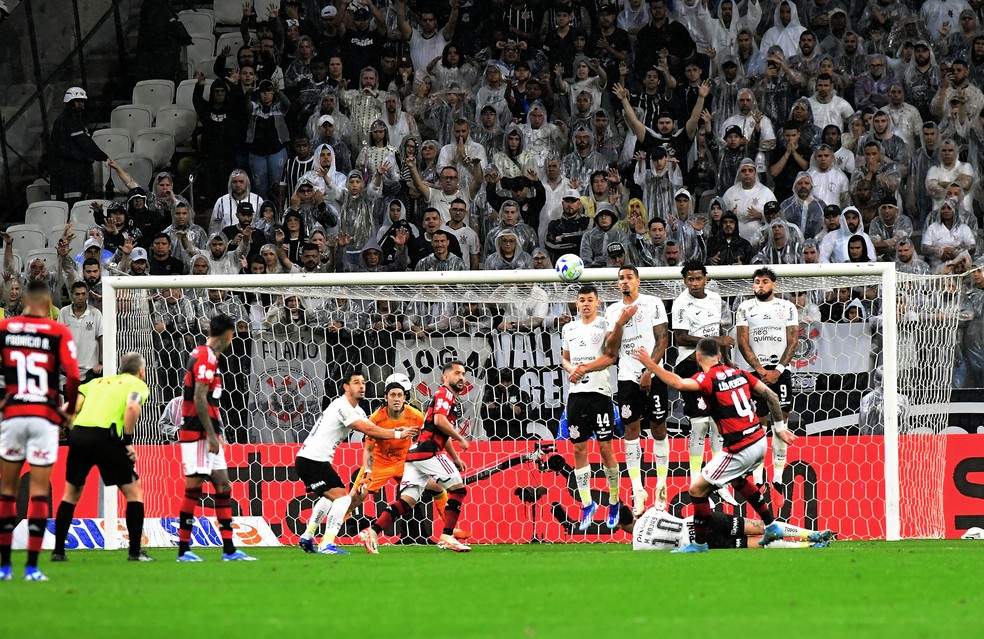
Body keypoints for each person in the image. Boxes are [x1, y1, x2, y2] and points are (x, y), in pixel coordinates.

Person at [633, 338, 797, 553]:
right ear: (720, 355)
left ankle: (699, 545)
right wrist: (779, 428)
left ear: (698, 357)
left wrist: (651, 365)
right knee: (737, 479)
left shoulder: (707, 378)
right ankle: (771, 525)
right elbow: (771, 395)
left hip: (740, 447)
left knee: (697, 489)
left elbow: (679, 384)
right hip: (759, 440)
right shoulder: (739, 374)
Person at [0, 281, 81, 581]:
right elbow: (72, 376)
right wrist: (68, 411)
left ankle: (4, 567)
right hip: (44, 417)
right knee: (37, 493)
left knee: (7, 493)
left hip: (13, 416)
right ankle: (32, 568)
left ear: (23, 301)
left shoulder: (6, 328)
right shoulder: (58, 331)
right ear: (48, 303)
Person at [295, 371, 418, 555]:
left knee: (330, 497)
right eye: (356, 383)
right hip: (312, 459)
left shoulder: (358, 411)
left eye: (363, 383)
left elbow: (374, 430)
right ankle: (327, 544)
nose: (361, 386)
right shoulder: (341, 406)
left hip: (316, 460)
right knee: (343, 498)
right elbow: (369, 429)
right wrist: (399, 434)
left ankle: (307, 536)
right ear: (346, 387)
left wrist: (395, 429)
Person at [360, 361, 472, 554]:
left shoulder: (443, 398)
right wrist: (460, 437)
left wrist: (454, 456)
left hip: (413, 454)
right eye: (456, 374)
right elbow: (439, 421)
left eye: (463, 374)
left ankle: (372, 531)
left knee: (406, 501)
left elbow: (438, 427)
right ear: (445, 377)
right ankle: (447, 535)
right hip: (429, 452)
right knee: (459, 490)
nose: (461, 377)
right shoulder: (444, 394)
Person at [51, 352, 152, 562]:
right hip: (106, 436)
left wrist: (73, 429)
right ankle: (135, 552)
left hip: (79, 435)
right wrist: (127, 441)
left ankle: (58, 552)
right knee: (134, 492)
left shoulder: (95, 383)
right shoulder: (137, 384)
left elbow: (71, 408)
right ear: (141, 371)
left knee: (71, 494)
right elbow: (133, 407)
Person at [175, 314, 255, 562]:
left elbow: (208, 400)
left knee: (223, 485)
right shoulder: (204, 356)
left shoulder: (210, 357)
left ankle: (229, 550)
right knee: (194, 488)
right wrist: (210, 435)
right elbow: (199, 398)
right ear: (229, 335)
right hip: (197, 433)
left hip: (209, 433)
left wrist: (216, 433)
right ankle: (183, 550)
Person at [604, 265, 670, 515]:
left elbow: (663, 339)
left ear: (638, 281)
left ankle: (661, 489)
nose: (624, 281)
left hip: (654, 374)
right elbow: (611, 350)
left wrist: (650, 371)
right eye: (620, 278)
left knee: (658, 427)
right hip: (626, 377)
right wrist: (620, 323)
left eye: (629, 277)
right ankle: (637, 490)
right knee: (631, 429)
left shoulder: (653, 303)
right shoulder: (612, 311)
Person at [672, 261, 738, 507]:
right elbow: (680, 337)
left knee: (718, 424)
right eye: (690, 279)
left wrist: (727, 361)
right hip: (690, 363)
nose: (695, 283)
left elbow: (719, 329)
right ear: (685, 281)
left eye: (699, 278)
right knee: (699, 425)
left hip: (714, 364)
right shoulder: (680, 303)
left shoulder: (715, 299)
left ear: (706, 279)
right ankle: (696, 483)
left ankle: (719, 482)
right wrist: (715, 340)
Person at [735, 268, 799, 492]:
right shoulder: (744, 308)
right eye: (756, 282)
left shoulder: (787, 307)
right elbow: (743, 342)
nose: (760, 286)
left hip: (781, 371)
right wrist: (760, 369)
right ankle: (759, 475)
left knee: (781, 420)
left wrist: (778, 369)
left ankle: (778, 476)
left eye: (764, 282)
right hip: (755, 373)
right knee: (758, 422)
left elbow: (793, 340)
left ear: (774, 285)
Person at [563, 285, 621, 529]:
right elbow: (564, 358)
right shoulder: (569, 328)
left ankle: (614, 501)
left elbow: (611, 357)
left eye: (590, 300)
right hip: (576, 395)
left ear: (598, 303)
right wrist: (571, 369)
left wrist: (585, 369)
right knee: (579, 450)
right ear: (576, 304)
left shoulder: (605, 325)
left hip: (599, 394)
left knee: (606, 448)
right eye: (581, 300)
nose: (585, 304)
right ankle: (588, 504)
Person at [617, 504, 834, 550]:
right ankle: (811, 534)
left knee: (756, 543)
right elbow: (660, 507)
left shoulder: (638, 548)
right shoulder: (652, 512)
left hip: (700, 542)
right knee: (760, 526)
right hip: (701, 522)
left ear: (619, 526)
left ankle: (808, 547)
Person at [48, 87, 109, 203]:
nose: (81, 104)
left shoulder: (69, 119)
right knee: (73, 204)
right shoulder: (69, 120)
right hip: (69, 173)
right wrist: (103, 157)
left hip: (68, 171)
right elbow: (85, 143)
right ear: (70, 102)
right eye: (77, 101)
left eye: (82, 101)